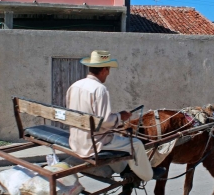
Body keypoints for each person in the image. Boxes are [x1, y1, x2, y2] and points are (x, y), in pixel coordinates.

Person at [66, 50, 166, 182]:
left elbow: (89, 114)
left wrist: (114, 118)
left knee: (118, 138)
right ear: (104, 70)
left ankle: (124, 169)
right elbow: (105, 121)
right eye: (108, 70)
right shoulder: (99, 89)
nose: (108, 73)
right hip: (93, 144)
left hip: (76, 140)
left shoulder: (75, 85)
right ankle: (147, 175)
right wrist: (120, 116)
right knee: (136, 144)